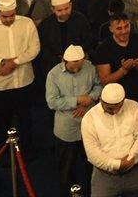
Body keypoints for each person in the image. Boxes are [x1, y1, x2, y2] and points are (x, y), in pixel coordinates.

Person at [0, 0, 40, 147]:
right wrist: (2, 62)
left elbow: (34, 48)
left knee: (26, 119)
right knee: (3, 121)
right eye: (4, 16)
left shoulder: (27, 24)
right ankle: (5, 151)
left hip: (24, 81)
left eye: (12, 16)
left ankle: (27, 151)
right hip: (0, 84)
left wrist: (13, 63)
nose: (8, 19)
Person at [46, 44, 101, 197]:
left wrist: (89, 100)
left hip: (89, 125)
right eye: (72, 68)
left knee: (92, 166)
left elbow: (98, 86)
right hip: (66, 129)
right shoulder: (53, 75)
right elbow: (52, 102)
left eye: (79, 67)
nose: (76, 70)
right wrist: (77, 100)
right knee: (66, 169)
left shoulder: (90, 67)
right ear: (64, 61)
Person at [82, 83, 138, 197]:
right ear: (101, 100)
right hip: (105, 177)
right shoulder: (89, 118)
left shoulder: (134, 107)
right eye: (109, 108)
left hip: (135, 172)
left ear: (123, 101)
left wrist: (131, 158)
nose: (115, 112)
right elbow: (92, 151)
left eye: (118, 107)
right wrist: (117, 165)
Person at [95, 12, 138, 103]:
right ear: (111, 29)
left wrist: (136, 64)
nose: (124, 31)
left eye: (126, 26)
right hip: (118, 97)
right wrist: (123, 70)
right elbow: (105, 82)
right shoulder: (103, 49)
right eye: (119, 28)